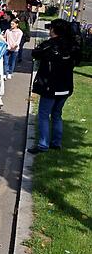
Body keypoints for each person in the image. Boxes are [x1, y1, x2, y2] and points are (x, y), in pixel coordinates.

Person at [29, 19, 81, 154]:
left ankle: (43, 145)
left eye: (50, 28)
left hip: (50, 86)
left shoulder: (50, 45)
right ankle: (56, 143)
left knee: (44, 115)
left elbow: (35, 53)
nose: (49, 30)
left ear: (54, 30)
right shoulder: (72, 45)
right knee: (57, 115)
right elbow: (77, 60)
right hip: (66, 86)